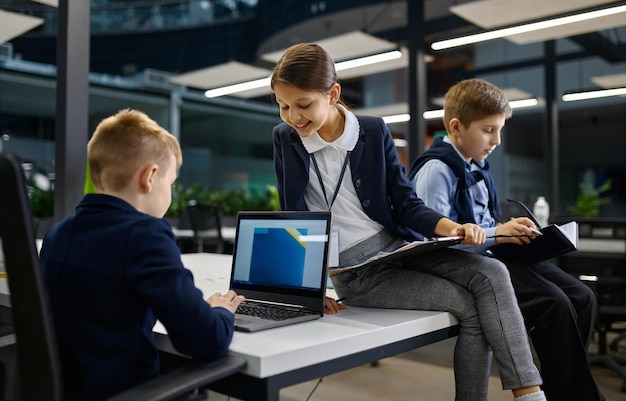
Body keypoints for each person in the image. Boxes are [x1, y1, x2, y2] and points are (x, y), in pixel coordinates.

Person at [270, 43, 546, 401]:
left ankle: (531, 394)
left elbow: (406, 203)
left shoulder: (372, 130)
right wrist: (308, 289)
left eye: (303, 104)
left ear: (333, 94)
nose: (293, 116)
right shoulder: (285, 139)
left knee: (492, 273)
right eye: (282, 105)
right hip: (355, 272)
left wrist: (453, 228)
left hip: (398, 247)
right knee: (470, 306)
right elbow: (292, 215)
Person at [408, 78, 604, 401]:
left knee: (583, 297)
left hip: (493, 253)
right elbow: (437, 241)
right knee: (552, 303)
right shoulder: (436, 171)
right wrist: (499, 233)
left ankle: (562, 390)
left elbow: (483, 222)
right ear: (456, 127)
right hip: (467, 264)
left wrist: (508, 229)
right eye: (488, 130)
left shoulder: (477, 167)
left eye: (500, 130)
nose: (497, 140)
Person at [39, 109, 245, 401]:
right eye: (171, 183)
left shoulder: (56, 234)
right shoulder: (145, 234)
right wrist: (222, 311)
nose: (170, 193)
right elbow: (205, 340)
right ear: (150, 177)